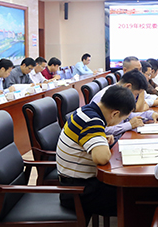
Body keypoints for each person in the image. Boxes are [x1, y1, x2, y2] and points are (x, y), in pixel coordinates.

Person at [57, 84, 135, 220]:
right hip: (78, 191)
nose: (119, 122)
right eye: (121, 119)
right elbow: (101, 158)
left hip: (78, 183)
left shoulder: (85, 110)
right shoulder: (92, 121)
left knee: (134, 192)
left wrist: (101, 139)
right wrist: (102, 142)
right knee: (136, 198)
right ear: (115, 113)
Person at [90, 69, 158, 141]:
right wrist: (129, 125)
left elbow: (127, 116)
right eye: (136, 94)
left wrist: (150, 114)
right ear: (128, 86)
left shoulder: (119, 94)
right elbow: (102, 129)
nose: (135, 98)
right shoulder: (104, 97)